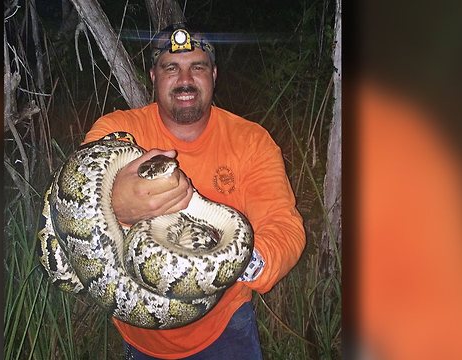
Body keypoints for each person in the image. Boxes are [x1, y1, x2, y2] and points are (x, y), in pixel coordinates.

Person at [83, 24, 306, 359]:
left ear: (214, 74)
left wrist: (237, 260)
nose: (184, 79)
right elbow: (80, 195)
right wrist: (118, 207)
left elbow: (284, 227)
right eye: (171, 68)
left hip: (226, 328)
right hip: (142, 338)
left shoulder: (252, 141)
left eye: (197, 67)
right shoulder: (117, 131)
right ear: (153, 76)